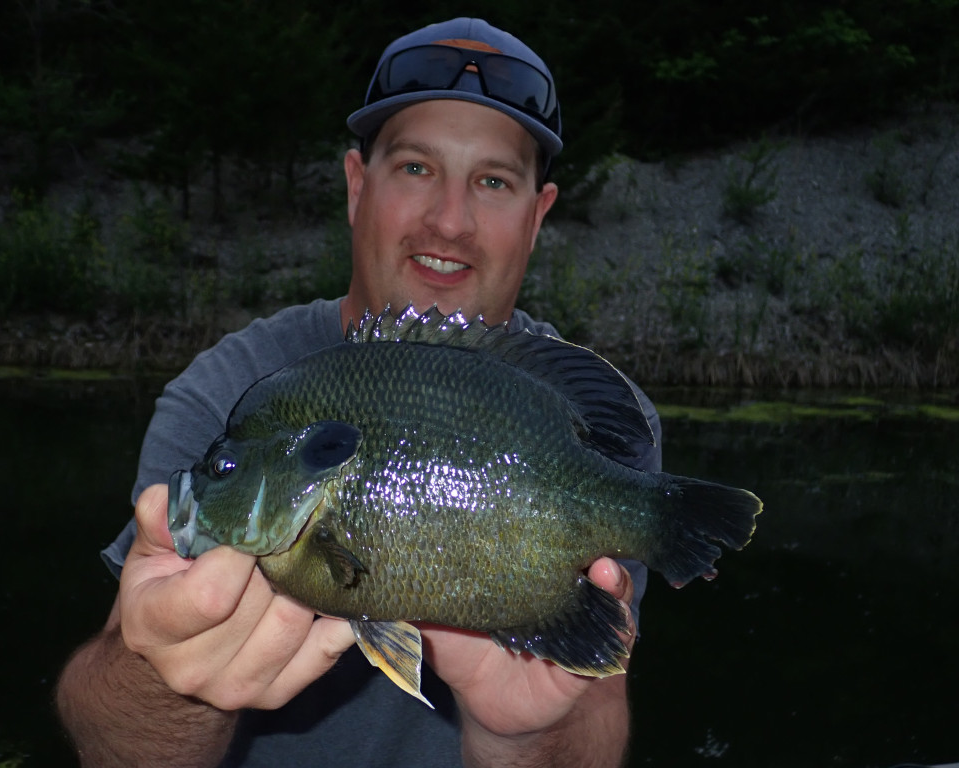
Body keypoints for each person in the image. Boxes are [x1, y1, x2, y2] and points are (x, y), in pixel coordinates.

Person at [55, 17, 661, 768]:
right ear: (354, 186)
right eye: (415, 168)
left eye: (494, 181)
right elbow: (110, 744)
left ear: (537, 218)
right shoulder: (227, 393)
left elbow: (595, 716)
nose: (449, 220)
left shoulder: (584, 415)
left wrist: (525, 731)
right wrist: (171, 682)